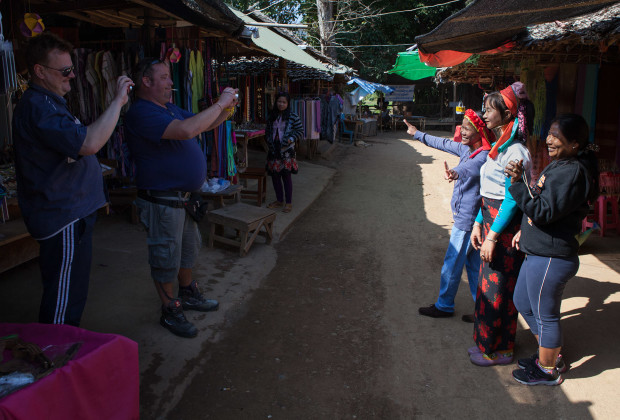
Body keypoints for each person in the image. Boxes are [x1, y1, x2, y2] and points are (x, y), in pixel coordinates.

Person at [13, 32, 133, 326]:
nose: (71, 77)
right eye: (64, 71)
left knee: (71, 292)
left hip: (70, 212)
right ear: (40, 71)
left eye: (72, 70)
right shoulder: (40, 106)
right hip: (62, 216)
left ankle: (60, 351)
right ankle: (55, 358)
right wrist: (117, 101)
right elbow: (89, 143)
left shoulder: (51, 102)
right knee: (63, 301)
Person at [124, 58, 238, 338]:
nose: (171, 82)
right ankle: (170, 310)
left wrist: (229, 107)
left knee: (188, 250)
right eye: (164, 77)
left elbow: (203, 124)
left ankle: (187, 294)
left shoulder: (169, 108)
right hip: (162, 200)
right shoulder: (141, 112)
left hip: (184, 198)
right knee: (165, 257)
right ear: (146, 82)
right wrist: (220, 104)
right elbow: (187, 130)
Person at [506, 114, 598, 385]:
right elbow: (546, 206)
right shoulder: (562, 165)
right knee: (522, 302)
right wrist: (526, 228)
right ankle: (550, 354)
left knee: (546, 316)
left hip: (551, 256)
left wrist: (517, 185)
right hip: (539, 251)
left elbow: (544, 211)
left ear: (574, 143)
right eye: (550, 133)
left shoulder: (571, 173)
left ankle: (547, 370)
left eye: (557, 136)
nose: (548, 139)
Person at [468, 82, 534, 366]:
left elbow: (511, 199)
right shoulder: (498, 145)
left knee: (500, 288)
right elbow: (489, 191)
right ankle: (488, 343)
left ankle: (500, 349)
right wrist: (477, 223)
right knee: (489, 285)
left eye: (489, 110)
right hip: (491, 220)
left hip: (504, 228)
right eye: (484, 109)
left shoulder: (515, 152)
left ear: (507, 116)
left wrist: (493, 235)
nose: (485, 115)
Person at [408, 110, 493, 320]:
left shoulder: (483, 155)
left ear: (478, 130)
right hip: (469, 219)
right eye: (461, 127)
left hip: (467, 220)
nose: (462, 132)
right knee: (473, 267)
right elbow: (444, 144)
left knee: (452, 263)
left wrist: (455, 172)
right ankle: (482, 309)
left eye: (467, 128)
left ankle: (444, 305)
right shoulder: (467, 149)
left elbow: (469, 169)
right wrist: (418, 134)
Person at [265, 92, 304, 213]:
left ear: (288, 104)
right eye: (279, 101)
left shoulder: (292, 116)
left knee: (286, 176)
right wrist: (269, 141)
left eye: (284, 102)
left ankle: (288, 203)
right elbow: (267, 130)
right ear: (275, 102)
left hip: (286, 150)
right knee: (275, 176)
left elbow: (300, 130)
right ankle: (279, 200)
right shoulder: (272, 115)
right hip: (274, 149)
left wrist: (291, 139)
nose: (281, 104)